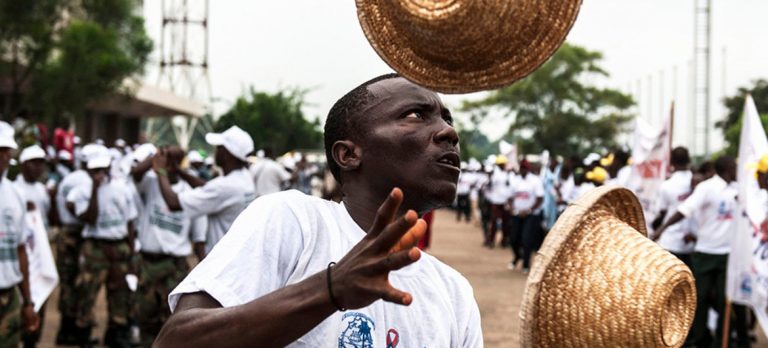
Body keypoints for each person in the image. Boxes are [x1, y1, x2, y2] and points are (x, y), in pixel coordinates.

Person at [155, 74, 482, 347]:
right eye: (415, 115)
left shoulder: (453, 292)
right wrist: (330, 289)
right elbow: (175, 340)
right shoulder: (293, 220)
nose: (448, 132)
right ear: (348, 154)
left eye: (447, 119)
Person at [653, 155, 738, 347]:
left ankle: (721, 340)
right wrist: (660, 230)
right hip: (705, 252)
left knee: (724, 300)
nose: (737, 170)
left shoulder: (737, 189)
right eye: (734, 166)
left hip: (727, 255)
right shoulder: (707, 188)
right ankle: (698, 340)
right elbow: (684, 211)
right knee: (698, 299)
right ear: (727, 167)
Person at [130, 146, 207, 347]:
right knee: (144, 318)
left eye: (175, 160)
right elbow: (136, 173)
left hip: (174, 266)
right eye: (167, 159)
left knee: (171, 322)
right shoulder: (151, 183)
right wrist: (157, 156)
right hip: (148, 263)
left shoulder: (190, 193)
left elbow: (199, 239)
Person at [67, 148, 139, 347]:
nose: (99, 173)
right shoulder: (82, 191)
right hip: (95, 247)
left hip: (119, 246)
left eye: (102, 169)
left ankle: (115, 333)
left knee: (119, 292)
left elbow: (130, 222)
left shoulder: (122, 188)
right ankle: (84, 332)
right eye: (95, 170)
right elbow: (90, 218)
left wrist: (132, 254)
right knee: (87, 291)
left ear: (108, 168)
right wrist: (94, 191)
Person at [151, 125, 256, 253]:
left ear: (226, 154)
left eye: (219, 148)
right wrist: (179, 171)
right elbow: (209, 189)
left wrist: (161, 170)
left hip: (221, 258)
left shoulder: (224, 187)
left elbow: (174, 203)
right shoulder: (245, 177)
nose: (215, 151)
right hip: (234, 252)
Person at [0, 122, 39, 347]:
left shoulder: (15, 194)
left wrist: (27, 302)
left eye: (6, 150)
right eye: (1, 150)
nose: (5, 156)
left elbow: (21, 249)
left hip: (9, 297)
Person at [650, 147, 694, 267]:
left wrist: (656, 229)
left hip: (670, 240)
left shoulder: (667, 185)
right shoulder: (698, 181)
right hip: (692, 241)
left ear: (671, 162)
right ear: (689, 160)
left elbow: (662, 211)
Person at [508, 159, 544, 274]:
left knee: (526, 239)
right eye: (521, 169)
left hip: (530, 215)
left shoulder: (535, 181)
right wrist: (512, 208)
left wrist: (529, 210)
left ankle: (526, 264)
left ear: (528, 170)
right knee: (513, 238)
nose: (522, 171)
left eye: (524, 169)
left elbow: (540, 198)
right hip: (517, 214)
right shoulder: (515, 180)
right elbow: (510, 197)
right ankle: (518, 256)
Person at [483, 155, 512, 248]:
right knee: (494, 222)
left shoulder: (508, 174)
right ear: (500, 164)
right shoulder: (494, 173)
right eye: (503, 164)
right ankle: (491, 241)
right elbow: (488, 185)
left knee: (505, 223)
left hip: (505, 202)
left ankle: (504, 241)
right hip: (495, 201)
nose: (504, 165)